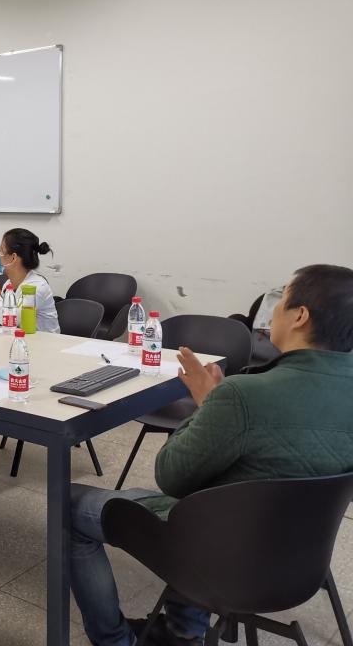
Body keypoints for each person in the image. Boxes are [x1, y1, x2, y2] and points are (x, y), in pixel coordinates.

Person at [69, 264, 353, 646]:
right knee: (212, 499)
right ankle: (183, 631)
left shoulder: (244, 395)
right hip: (301, 560)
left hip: (219, 553)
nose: (273, 311)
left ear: (300, 316)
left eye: (281, 299)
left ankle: (113, 639)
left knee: (68, 503)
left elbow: (170, 476)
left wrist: (209, 403)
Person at [0, 228, 60, 333]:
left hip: (44, 341)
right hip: (17, 339)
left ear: (13, 258)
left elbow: (11, 320)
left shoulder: (36, 287)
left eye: (1, 251)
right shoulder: (8, 284)